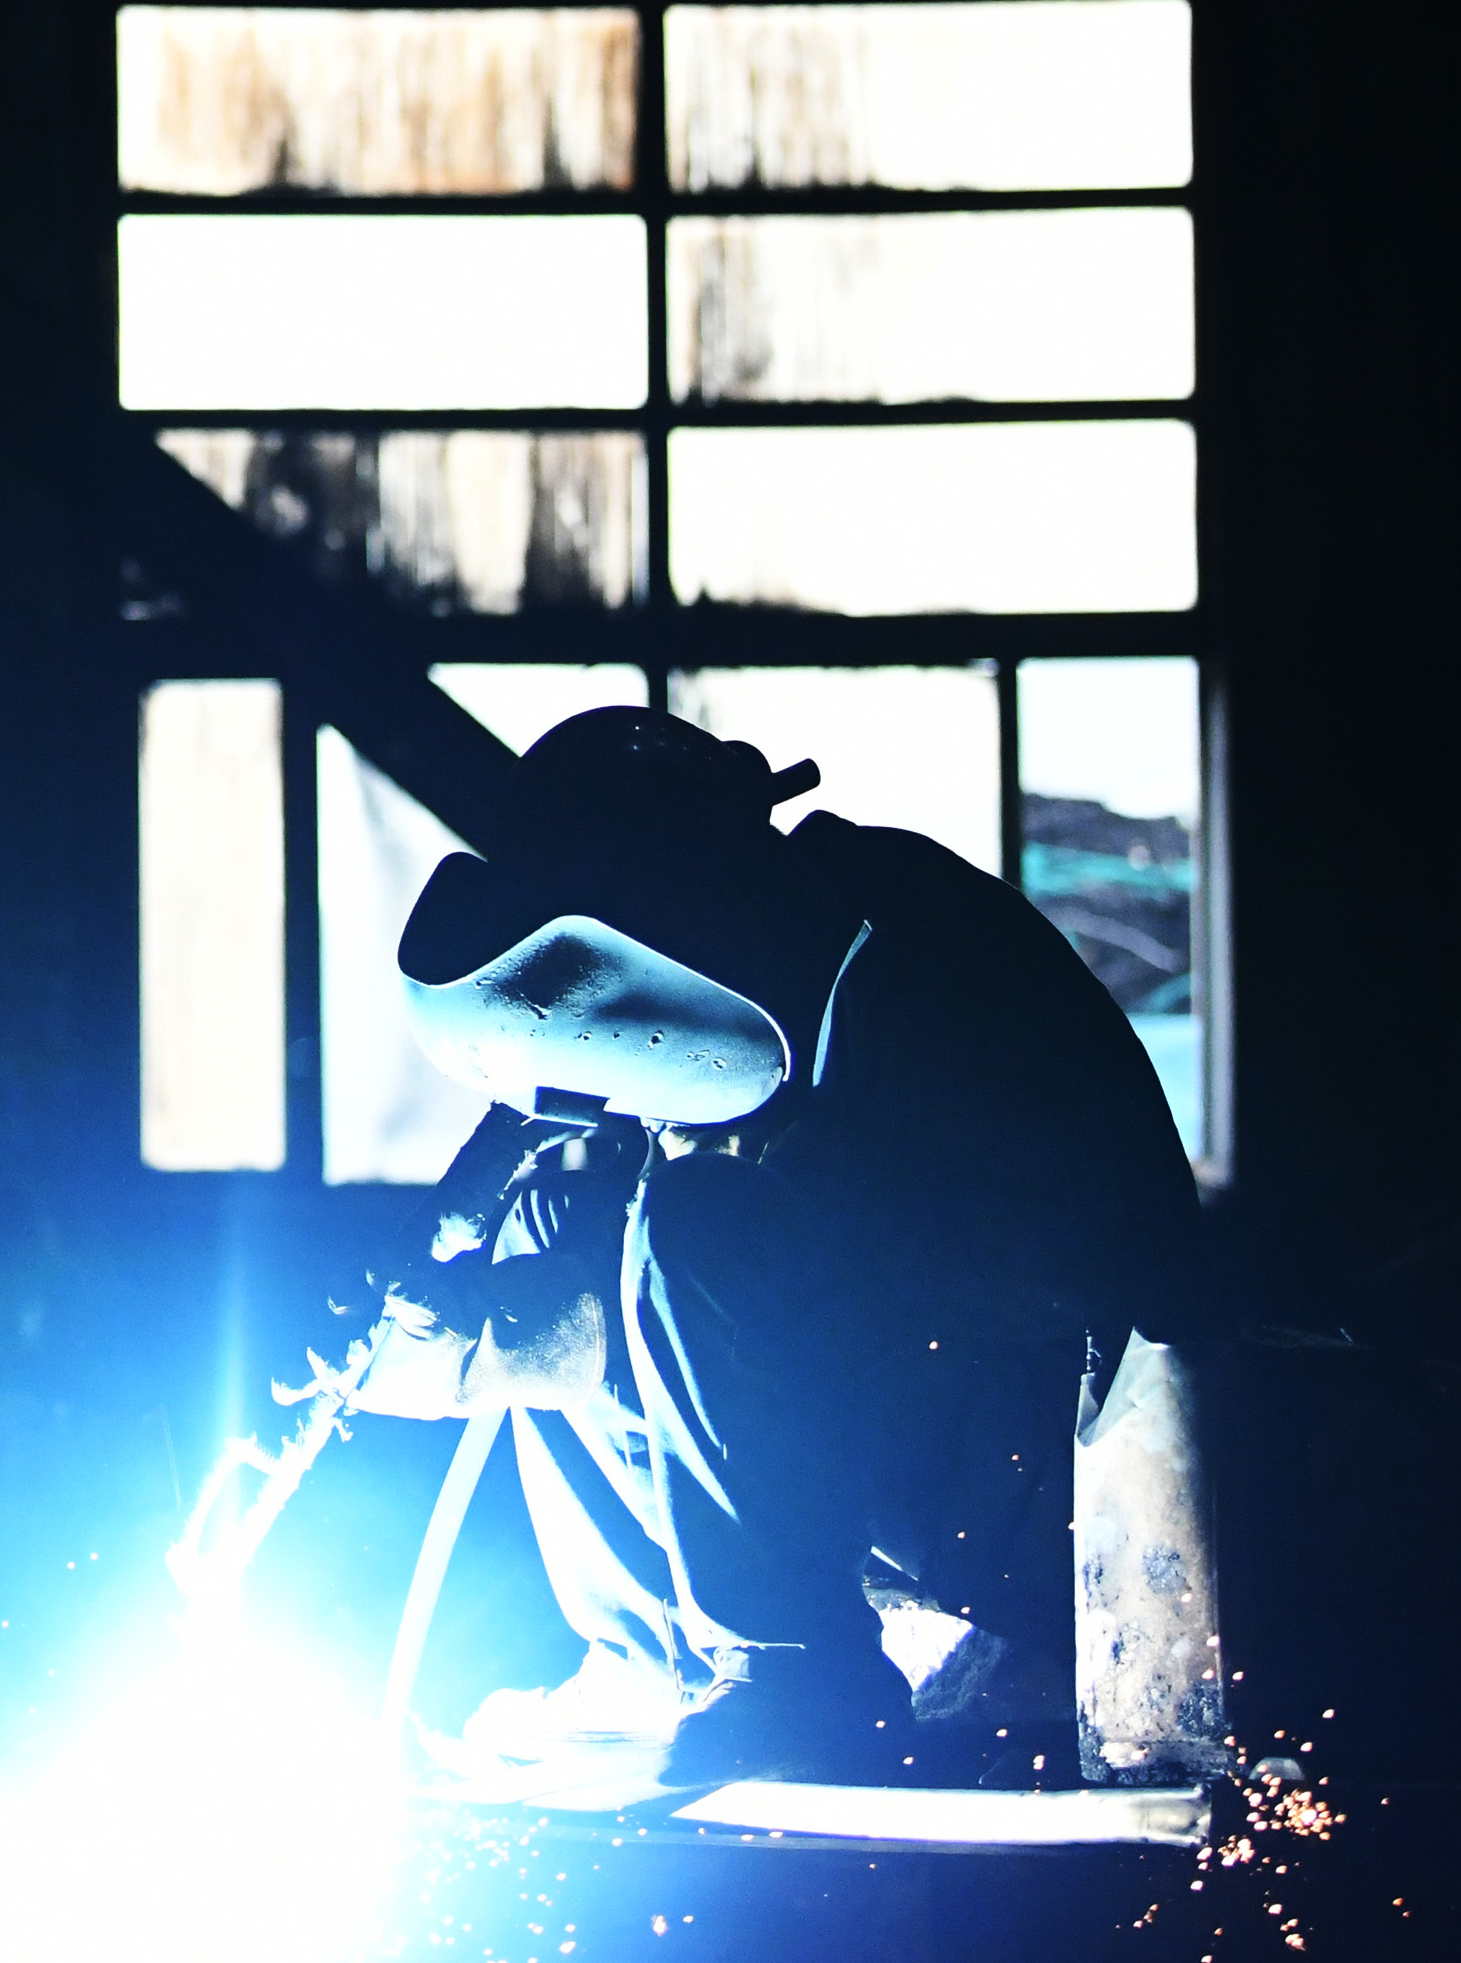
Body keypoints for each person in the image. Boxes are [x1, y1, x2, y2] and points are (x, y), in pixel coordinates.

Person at [327, 700, 1200, 1802]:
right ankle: (650, 1660)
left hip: (1051, 1462)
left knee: (701, 1220)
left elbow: (1022, 1269)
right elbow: (640, 1258)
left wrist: (565, 1329)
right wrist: (460, 1313)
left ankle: (796, 1680)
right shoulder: (742, 985)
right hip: (921, 1415)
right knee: (561, 1220)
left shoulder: (911, 951)